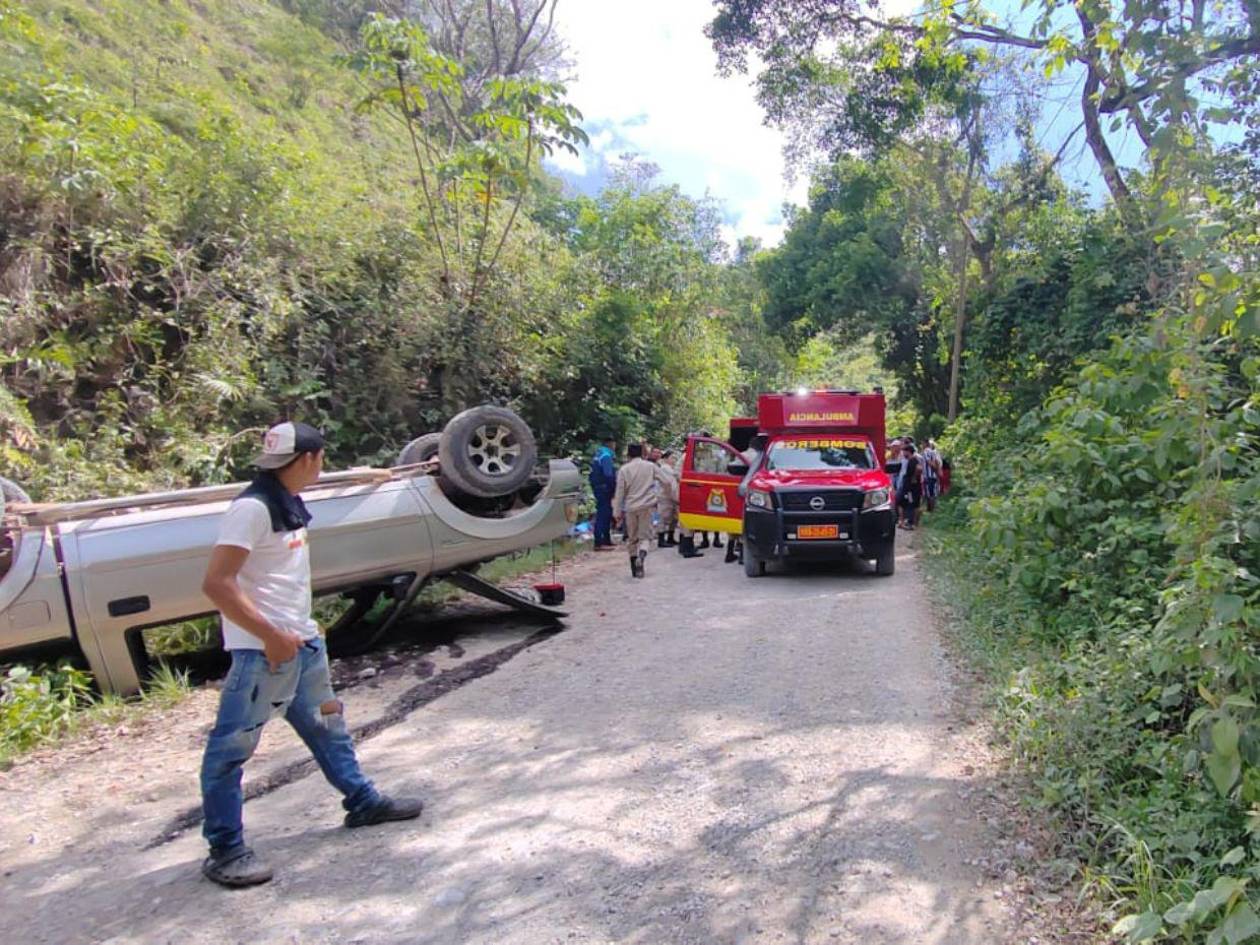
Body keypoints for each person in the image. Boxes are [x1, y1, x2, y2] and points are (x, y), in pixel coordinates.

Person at [199, 422, 421, 889]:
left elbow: (277, 578)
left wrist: (300, 628)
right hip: (263, 654)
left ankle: (362, 802)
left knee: (328, 728)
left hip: (301, 645)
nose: (323, 466)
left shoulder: (286, 499)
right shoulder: (251, 509)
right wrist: (271, 636)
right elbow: (217, 584)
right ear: (307, 459)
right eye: (321, 458)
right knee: (230, 751)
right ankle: (226, 849)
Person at [613, 443, 675, 578]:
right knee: (645, 537)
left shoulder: (624, 469)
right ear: (642, 454)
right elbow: (667, 481)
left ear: (628, 455)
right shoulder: (650, 466)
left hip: (630, 507)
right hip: (647, 506)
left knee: (632, 538)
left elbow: (619, 492)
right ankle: (641, 557)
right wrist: (660, 495)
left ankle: (634, 568)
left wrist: (617, 512)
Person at [589, 436, 617, 551]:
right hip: (604, 488)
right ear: (610, 444)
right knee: (603, 514)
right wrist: (613, 488)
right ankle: (599, 542)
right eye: (614, 444)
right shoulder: (606, 456)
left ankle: (606, 539)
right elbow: (608, 474)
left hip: (598, 487)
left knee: (606, 513)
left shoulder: (598, 455)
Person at [896, 441, 923, 530]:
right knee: (905, 502)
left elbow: (919, 468)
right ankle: (907, 522)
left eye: (904, 451)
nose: (903, 453)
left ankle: (912, 523)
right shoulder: (911, 460)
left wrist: (914, 477)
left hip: (912, 489)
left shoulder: (913, 460)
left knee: (912, 503)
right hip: (910, 487)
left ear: (908, 452)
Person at [656, 449, 680, 547]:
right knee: (663, 518)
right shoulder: (664, 468)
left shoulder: (671, 468)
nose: (674, 460)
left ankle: (670, 537)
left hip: (672, 496)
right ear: (666, 458)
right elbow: (669, 483)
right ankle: (661, 539)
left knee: (673, 518)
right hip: (665, 496)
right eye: (672, 458)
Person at [922, 439, 942, 512]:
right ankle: (932, 510)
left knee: (929, 494)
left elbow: (929, 462)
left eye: (922, 444)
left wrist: (935, 468)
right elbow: (938, 462)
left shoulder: (926, 451)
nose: (922, 445)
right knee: (933, 493)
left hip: (928, 476)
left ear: (925, 443)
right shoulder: (934, 452)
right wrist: (938, 471)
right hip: (933, 476)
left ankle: (931, 510)